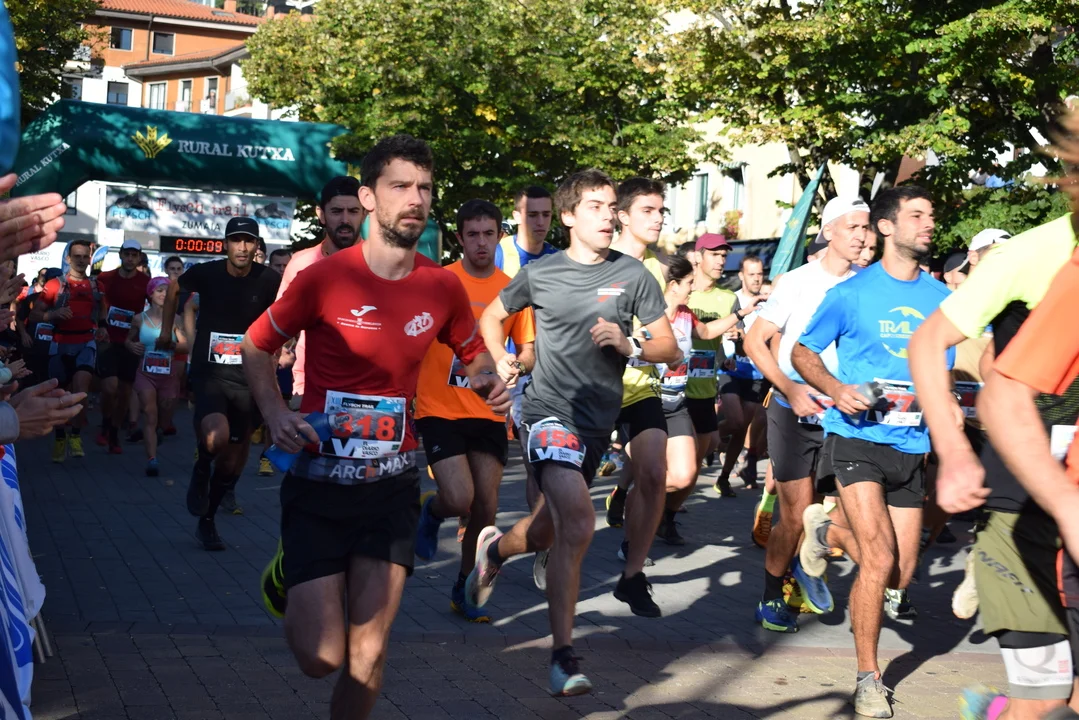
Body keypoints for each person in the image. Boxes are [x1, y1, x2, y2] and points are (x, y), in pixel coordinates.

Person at [243, 135, 510, 720]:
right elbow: (254, 345)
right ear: (368, 197)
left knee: (368, 654)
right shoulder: (324, 278)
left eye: (425, 188)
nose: (416, 199)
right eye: (401, 186)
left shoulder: (440, 285)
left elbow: (473, 353)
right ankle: (285, 573)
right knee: (321, 658)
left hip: (391, 485)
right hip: (318, 485)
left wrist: (489, 378)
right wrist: (276, 413)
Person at [471, 168, 679, 695]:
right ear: (568, 216)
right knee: (581, 523)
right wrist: (501, 358)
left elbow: (669, 347)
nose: (608, 216)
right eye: (595, 207)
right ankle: (562, 656)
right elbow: (492, 318)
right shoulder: (541, 274)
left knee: (547, 531)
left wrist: (630, 344)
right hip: (546, 413)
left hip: (595, 425)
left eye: (611, 207)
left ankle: (494, 552)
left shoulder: (634, 276)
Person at [908, 218, 1079, 720]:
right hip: (1017, 506)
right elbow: (929, 343)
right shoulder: (1030, 254)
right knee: (1044, 700)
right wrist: (955, 452)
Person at [793, 186, 950, 718]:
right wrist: (836, 389)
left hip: (913, 444)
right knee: (878, 559)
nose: (929, 223)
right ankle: (868, 678)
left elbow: (949, 366)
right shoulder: (851, 293)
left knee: (900, 575)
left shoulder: (940, 298)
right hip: (857, 438)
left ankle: (826, 534)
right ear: (886, 226)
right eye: (917, 215)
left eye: (931, 215)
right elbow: (803, 352)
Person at [742, 196, 869, 634]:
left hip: (843, 414)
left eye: (866, 228)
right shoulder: (797, 281)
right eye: (852, 227)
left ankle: (808, 561)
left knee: (846, 511)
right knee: (796, 515)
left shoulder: (867, 284)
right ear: (829, 231)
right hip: (792, 409)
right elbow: (755, 341)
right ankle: (771, 594)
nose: (861, 236)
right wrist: (790, 387)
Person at [413, 199, 535, 622]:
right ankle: (432, 510)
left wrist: (518, 365)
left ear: (499, 235)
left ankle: (465, 586)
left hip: (488, 410)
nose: (481, 242)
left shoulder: (513, 289)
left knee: (485, 506)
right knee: (458, 497)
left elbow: (530, 349)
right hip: (439, 408)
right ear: (460, 238)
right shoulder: (439, 282)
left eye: (488, 234)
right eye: (472, 235)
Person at [974, 242, 1079, 720]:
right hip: (1022, 516)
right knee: (1045, 701)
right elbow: (996, 389)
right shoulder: (1045, 271)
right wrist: (955, 452)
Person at [158, 217, 281, 550]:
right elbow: (174, 289)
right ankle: (201, 467)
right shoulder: (207, 273)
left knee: (231, 460)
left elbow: (283, 314)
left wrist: (279, 348)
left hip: (249, 378)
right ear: (225, 244)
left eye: (248, 241)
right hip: (210, 374)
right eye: (236, 240)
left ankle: (208, 519)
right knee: (216, 436)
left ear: (256, 246)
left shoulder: (269, 279)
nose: (242, 247)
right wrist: (167, 332)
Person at [31, 239, 107, 463]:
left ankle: (75, 435)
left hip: (86, 342)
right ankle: (60, 437)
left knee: (81, 390)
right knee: (60, 395)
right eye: (77, 257)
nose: (81, 261)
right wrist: (53, 315)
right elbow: (35, 314)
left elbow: (102, 310)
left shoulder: (97, 286)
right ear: (68, 259)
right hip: (61, 343)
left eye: (85, 257)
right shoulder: (55, 284)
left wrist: (103, 327)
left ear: (90, 259)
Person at [684, 233, 738, 495]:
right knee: (679, 455)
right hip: (674, 387)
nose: (721, 261)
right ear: (698, 256)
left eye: (724, 255)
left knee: (700, 453)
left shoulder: (728, 298)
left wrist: (734, 345)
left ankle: (671, 506)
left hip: (705, 386)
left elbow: (735, 337)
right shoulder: (682, 291)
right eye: (714, 254)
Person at [715, 254, 769, 491]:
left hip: (756, 372)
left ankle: (724, 477)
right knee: (736, 420)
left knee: (740, 428)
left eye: (760, 274)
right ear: (741, 276)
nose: (757, 279)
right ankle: (706, 437)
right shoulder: (731, 300)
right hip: (731, 368)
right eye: (751, 274)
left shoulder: (769, 304)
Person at [126, 277, 188, 477]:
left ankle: (159, 430)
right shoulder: (139, 319)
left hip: (168, 375)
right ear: (150, 293)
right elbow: (128, 340)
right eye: (159, 290)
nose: (163, 295)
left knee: (165, 414)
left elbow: (186, 346)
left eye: (167, 291)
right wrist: (131, 346)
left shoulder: (176, 320)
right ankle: (152, 459)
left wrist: (171, 344)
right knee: (149, 414)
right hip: (146, 374)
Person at [96, 239, 150, 453]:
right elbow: (96, 305)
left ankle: (114, 431)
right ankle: (105, 422)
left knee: (126, 393)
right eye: (126, 254)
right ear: (120, 255)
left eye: (134, 255)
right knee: (109, 387)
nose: (130, 258)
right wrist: (99, 326)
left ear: (139, 257)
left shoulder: (145, 281)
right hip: (108, 340)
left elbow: (156, 306)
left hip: (131, 342)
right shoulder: (105, 278)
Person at [495, 185, 557, 275]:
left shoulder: (557, 258)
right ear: (517, 217)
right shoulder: (496, 254)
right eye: (532, 215)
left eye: (546, 215)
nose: (541, 222)